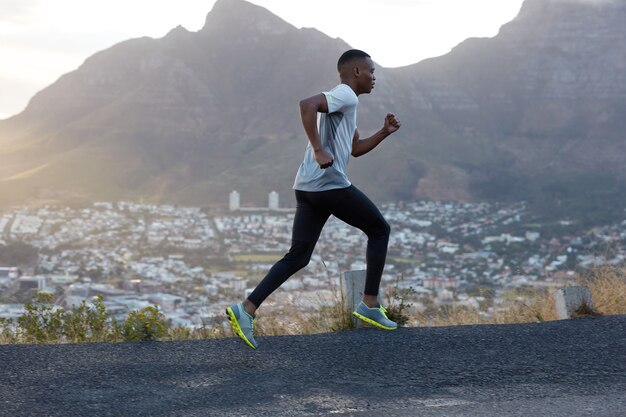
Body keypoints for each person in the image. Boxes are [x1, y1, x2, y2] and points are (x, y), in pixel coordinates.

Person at [226, 49, 401, 349]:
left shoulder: (344, 102)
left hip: (306, 188)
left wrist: (384, 132)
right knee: (379, 230)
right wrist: (318, 149)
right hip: (330, 185)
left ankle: (246, 309)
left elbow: (355, 148)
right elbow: (306, 104)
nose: (375, 77)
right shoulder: (346, 95)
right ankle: (369, 303)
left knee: (298, 256)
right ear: (357, 71)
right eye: (372, 71)